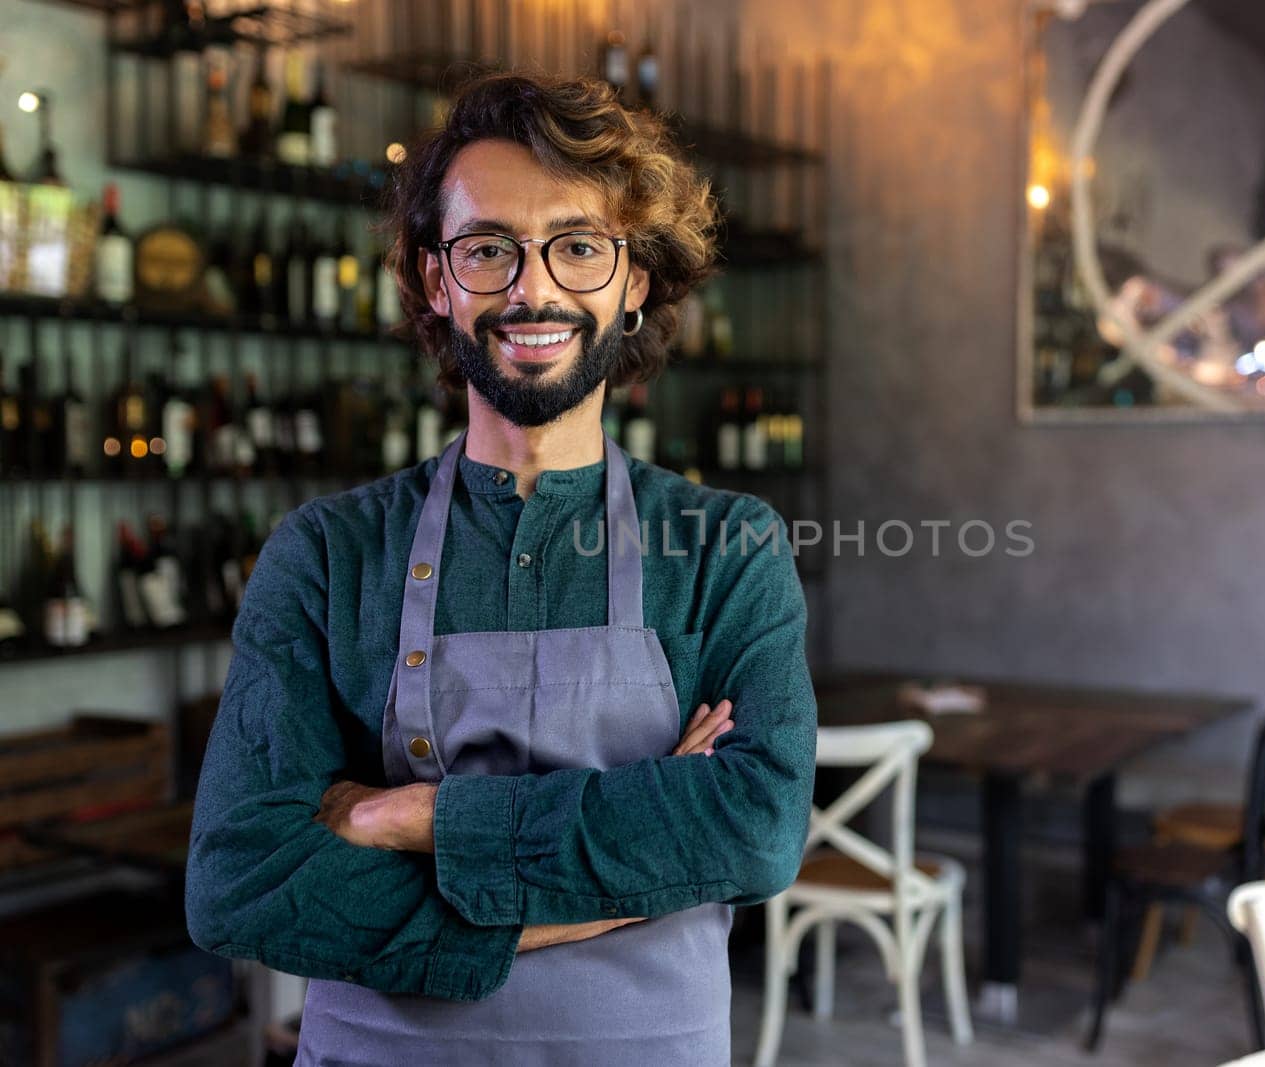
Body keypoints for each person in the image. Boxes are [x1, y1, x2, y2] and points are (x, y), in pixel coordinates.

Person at [185, 71, 817, 1066]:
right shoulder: (326, 552)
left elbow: (754, 831)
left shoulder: (726, 545)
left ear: (635, 279)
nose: (533, 288)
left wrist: (411, 816)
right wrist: (622, 869)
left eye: (577, 246)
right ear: (436, 279)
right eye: (489, 249)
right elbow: (241, 883)